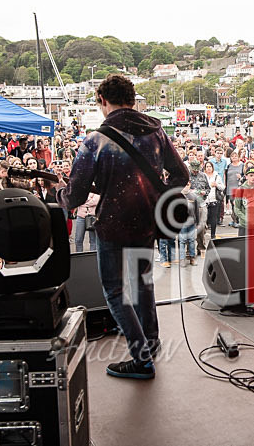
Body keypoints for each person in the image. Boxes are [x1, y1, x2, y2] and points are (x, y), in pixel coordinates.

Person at [57, 74, 189, 380]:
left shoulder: (96, 139)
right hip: (148, 223)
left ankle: (141, 359)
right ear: (132, 99)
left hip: (113, 225)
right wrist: (157, 195)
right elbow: (180, 175)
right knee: (143, 283)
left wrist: (59, 193)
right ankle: (151, 343)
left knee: (115, 291)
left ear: (103, 101)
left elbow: (75, 195)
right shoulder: (156, 131)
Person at [203, 160, 225, 240]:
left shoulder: (217, 176)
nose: (208, 168)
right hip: (204, 201)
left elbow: (223, 187)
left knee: (214, 219)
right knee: (204, 219)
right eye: (207, 167)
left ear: (212, 168)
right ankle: (203, 234)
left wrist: (216, 185)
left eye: (210, 166)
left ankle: (213, 234)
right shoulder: (203, 176)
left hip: (214, 200)